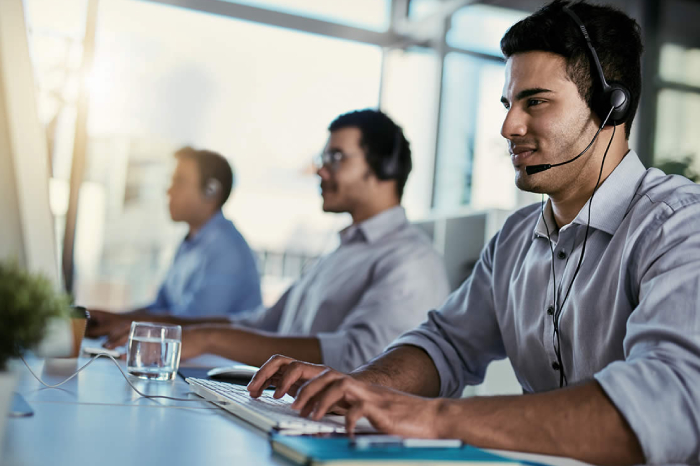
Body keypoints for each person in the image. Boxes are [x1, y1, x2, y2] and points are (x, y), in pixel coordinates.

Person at [247, 2, 700, 464]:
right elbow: (446, 344)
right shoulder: (515, 238)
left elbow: (663, 403)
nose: (508, 127)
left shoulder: (680, 229)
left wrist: (433, 417)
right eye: (508, 104)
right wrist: (357, 387)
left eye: (535, 102)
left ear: (611, 107)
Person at [90, 109, 450, 373]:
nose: (321, 170)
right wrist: (172, 332)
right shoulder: (341, 253)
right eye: (322, 158)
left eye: (335, 158)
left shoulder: (410, 260)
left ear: (384, 167)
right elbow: (262, 323)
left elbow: (361, 359)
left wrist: (209, 339)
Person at [86, 147, 262, 334]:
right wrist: (113, 319)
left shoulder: (227, 250)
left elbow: (193, 324)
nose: (169, 190)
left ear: (211, 191)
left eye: (179, 181)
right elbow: (160, 307)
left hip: (215, 361)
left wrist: (124, 323)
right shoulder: (189, 242)